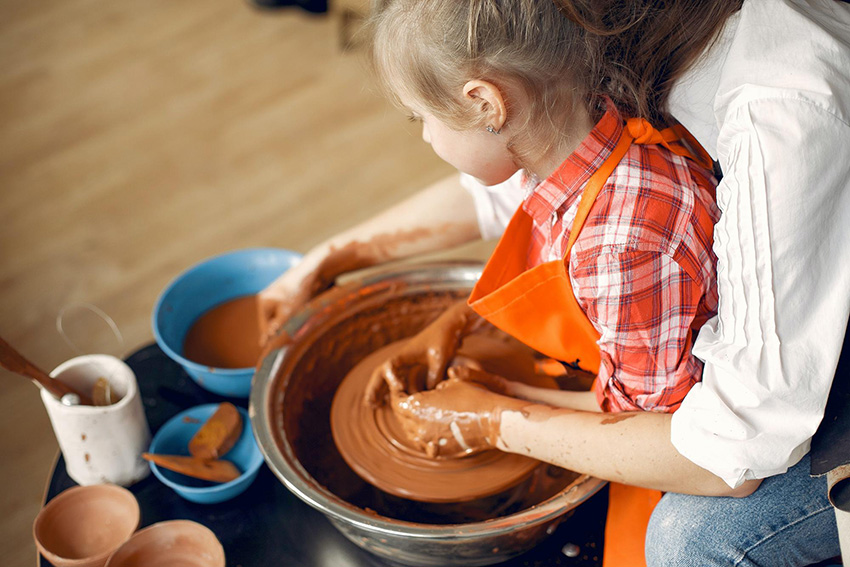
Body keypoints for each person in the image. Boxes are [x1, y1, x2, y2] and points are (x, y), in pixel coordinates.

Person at [259, 0, 849, 563]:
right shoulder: (578, 104)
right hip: (681, 345)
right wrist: (358, 270)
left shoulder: (778, 117)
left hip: (805, 384)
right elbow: (509, 189)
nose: (424, 135)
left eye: (422, 119)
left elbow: (715, 447)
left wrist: (490, 418)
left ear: (486, 102)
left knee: (685, 543)